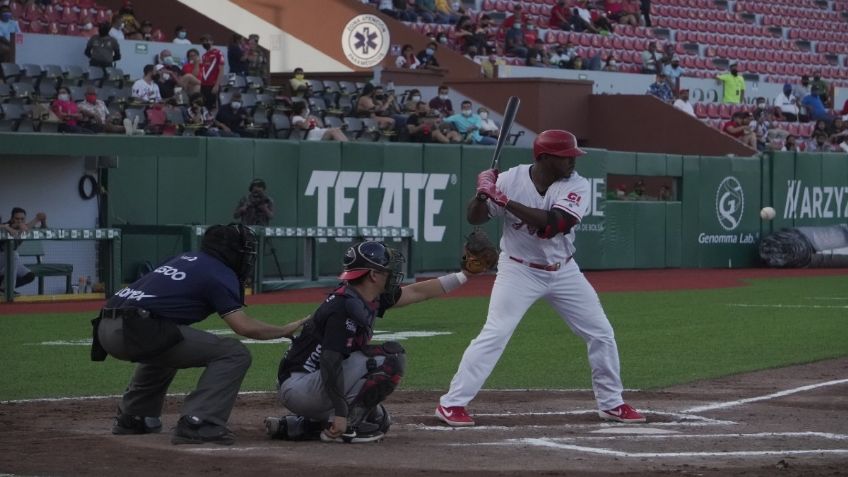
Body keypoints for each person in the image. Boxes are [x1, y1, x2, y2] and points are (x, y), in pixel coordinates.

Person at [435, 130, 645, 427]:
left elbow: (555, 224)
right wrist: (482, 194)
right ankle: (452, 403)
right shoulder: (510, 178)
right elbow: (475, 217)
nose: (573, 162)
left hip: (564, 270)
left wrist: (503, 200)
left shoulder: (577, 184)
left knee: (601, 333)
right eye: (566, 157)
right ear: (544, 158)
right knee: (496, 332)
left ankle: (611, 404)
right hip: (519, 270)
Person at [93, 224, 308, 445]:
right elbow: (244, 327)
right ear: (233, 253)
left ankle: (134, 416)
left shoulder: (185, 258)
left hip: (105, 327)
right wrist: (284, 329)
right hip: (137, 329)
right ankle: (200, 422)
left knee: (167, 340)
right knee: (234, 353)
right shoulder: (219, 272)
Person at [265, 240, 473, 443]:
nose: (391, 275)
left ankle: (296, 426)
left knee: (377, 420)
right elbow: (330, 362)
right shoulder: (344, 307)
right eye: (386, 270)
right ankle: (345, 427)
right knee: (391, 359)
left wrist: (466, 275)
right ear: (373, 275)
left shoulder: (363, 295)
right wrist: (341, 413)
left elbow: (418, 291)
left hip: (306, 383)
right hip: (302, 385)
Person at [0, 208, 47, 292]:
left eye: (22, 219)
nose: (19, 221)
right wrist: (8, 228)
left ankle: (3, 288)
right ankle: (7, 289)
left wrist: (42, 220)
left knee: (29, 276)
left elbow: (44, 230)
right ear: (11, 219)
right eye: (17, 219)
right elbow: (7, 226)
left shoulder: (24, 228)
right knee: (14, 255)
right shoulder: (6, 225)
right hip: (2, 261)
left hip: (8, 264)